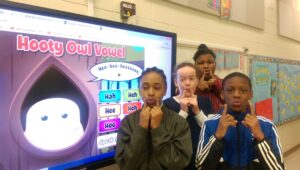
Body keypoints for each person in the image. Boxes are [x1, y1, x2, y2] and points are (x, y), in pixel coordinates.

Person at [195, 72, 285, 170]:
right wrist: (217, 137)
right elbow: (200, 167)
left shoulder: (267, 125)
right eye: (230, 90)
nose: (236, 95)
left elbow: (278, 168)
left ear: (250, 94)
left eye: (243, 90)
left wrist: (260, 138)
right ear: (222, 94)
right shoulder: (209, 124)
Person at [115, 67, 192, 170]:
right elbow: (125, 164)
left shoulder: (179, 122)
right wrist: (141, 128)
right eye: (145, 87)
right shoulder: (127, 121)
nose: (151, 93)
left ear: (165, 90)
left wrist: (157, 129)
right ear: (139, 90)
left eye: (157, 88)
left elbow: (179, 163)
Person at [163, 62, 213, 170]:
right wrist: (183, 111)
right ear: (176, 82)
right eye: (182, 79)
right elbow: (168, 134)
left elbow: (210, 129)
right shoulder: (167, 104)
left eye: (191, 79)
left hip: (200, 154)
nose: (187, 83)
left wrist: (197, 111)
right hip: (176, 156)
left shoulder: (205, 101)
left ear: (197, 81)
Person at [193, 44, 224, 113]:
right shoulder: (189, 84)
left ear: (215, 64)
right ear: (194, 65)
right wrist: (198, 90)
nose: (206, 66)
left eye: (210, 62)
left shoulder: (224, 83)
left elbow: (229, 101)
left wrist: (216, 84)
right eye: (201, 63)